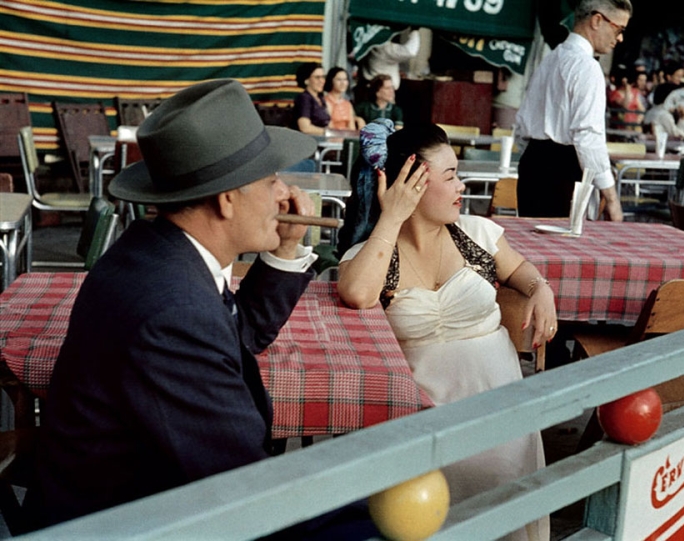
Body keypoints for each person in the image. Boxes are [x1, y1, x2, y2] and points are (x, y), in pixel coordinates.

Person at [22, 79, 379, 540]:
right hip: (129, 522)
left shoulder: (158, 249)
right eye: (270, 179)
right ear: (227, 198)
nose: (283, 192)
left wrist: (285, 249)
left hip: (152, 491)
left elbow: (237, 332)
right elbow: (243, 491)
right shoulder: (171, 311)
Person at [337, 120, 555, 541]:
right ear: (412, 183)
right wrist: (393, 215)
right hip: (423, 414)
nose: (462, 186)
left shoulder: (477, 232)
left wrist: (540, 288)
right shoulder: (374, 253)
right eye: (451, 175)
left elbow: (522, 271)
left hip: (498, 401)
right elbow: (359, 293)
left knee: (502, 511)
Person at [514, 0, 631, 220]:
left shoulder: (551, 58)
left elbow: (521, 125)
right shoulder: (588, 67)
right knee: (566, 252)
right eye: (619, 29)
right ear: (597, 20)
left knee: (533, 248)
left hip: (532, 163)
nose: (620, 38)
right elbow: (588, 137)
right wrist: (612, 200)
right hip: (563, 169)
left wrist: (534, 156)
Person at [293, 62, 330, 135]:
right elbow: (305, 128)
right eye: (317, 77)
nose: (322, 81)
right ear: (306, 80)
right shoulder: (304, 98)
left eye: (323, 77)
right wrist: (327, 132)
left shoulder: (320, 98)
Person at [324, 67, 361, 131]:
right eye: (339, 79)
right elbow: (329, 127)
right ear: (331, 81)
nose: (343, 83)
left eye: (345, 79)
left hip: (347, 138)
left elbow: (352, 128)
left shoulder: (347, 104)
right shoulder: (325, 101)